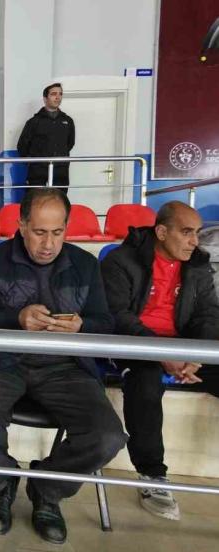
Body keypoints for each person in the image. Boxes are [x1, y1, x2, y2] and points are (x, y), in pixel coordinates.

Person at [0, 188, 126, 545]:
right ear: (22, 225)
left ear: (67, 227)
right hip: (4, 361)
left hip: (65, 367)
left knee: (108, 436)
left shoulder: (85, 264)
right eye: (39, 232)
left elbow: (106, 322)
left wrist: (82, 326)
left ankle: (47, 488)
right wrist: (17, 318)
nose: (48, 244)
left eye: (57, 232)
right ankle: (1, 482)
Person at [101, 201, 219, 521]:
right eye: (186, 232)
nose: (194, 241)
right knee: (145, 382)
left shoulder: (197, 264)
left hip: (181, 346)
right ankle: (152, 476)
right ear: (162, 232)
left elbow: (208, 314)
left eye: (197, 233)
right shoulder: (121, 261)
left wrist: (197, 355)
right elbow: (117, 316)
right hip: (133, 345)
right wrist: (160, 352)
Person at [17, 83, 75, 188]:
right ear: (45, 99)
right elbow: (22, 147)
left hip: (60, 173)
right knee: (37, 198)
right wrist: (35, 163)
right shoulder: (34, 122)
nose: (58, 97)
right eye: (53, 94)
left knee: (60, 198)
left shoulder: (68, 121)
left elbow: (70, 143)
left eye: (60, 94)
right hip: (38, 174)